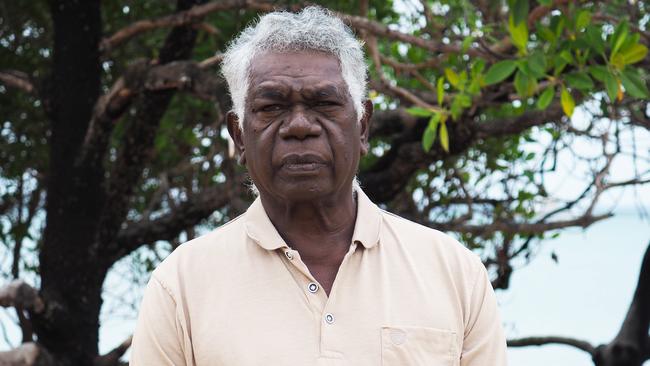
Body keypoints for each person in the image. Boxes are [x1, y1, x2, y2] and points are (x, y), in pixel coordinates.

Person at [130, 6, 507, 366]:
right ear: (239, 136)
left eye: (324, 103)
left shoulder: (454, 274)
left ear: (362, 126)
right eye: (271, 107)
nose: (299, 126)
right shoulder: (181, 286)